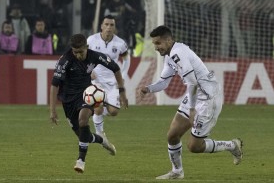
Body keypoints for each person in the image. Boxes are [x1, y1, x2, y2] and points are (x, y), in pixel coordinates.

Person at [139, 25, 243, 180]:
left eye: (158, 43)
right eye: (154, 44)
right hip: (195, 95)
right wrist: (148, 89)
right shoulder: (170, 56)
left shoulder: (177, 53)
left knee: (194, 146)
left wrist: (193, 109)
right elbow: (163, 82)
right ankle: (177, 171)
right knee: (172, 135)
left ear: (168, 40)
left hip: (208, 98)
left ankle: (232, 145)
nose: (156, 47)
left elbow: (192, 83)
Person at [49, 34, 128, 173]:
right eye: (75, 52)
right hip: (68, 101)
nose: (78, 55)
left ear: (87, 47)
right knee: (83, 136)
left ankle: (81, 161)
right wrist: (52, 110)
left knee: (83, 119)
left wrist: (121, 92)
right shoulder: (65, 61)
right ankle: (102, 140)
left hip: (87, 95)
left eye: (81, 51)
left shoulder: (95, 56)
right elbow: (54, 85)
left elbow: (115, 68)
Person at [87, 15, 131, 147]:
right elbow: (84, 57)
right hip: (96, 80)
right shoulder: (92, 40)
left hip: (112, 81)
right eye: (106, 24)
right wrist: (90, 71)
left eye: (112, 25)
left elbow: (127, 59)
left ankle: (97, 111)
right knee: (98, 107)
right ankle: (100, 133)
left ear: (114, 27)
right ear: (101, 26)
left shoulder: (120, 43)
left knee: (114, 112)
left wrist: (122, 75)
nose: (109, 27)